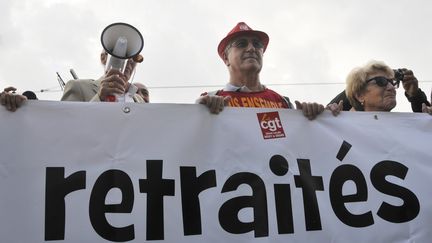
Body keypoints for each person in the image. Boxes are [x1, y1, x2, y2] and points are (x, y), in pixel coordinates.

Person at [197, 22, 338, 119]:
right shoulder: (211, 100)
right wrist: (203, 110)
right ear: (226, 58)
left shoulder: (283, 103)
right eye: (241, 44)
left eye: (257, 44)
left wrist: (320, 118)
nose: (251, 48)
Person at [343, 60, 432, 114]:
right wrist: (330, 115)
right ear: (360, 96)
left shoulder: (407, 128)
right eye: (381, 81)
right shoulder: (345, 130)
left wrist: (415, 96)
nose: (391, 87)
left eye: (392, 82)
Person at [61, 50, 146, 103]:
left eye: (134, 56)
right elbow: (66, 126)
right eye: (124, 53)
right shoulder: (78, 87)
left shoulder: (139, 99)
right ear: (103, 58)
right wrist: (99, 98)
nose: (129, 60)